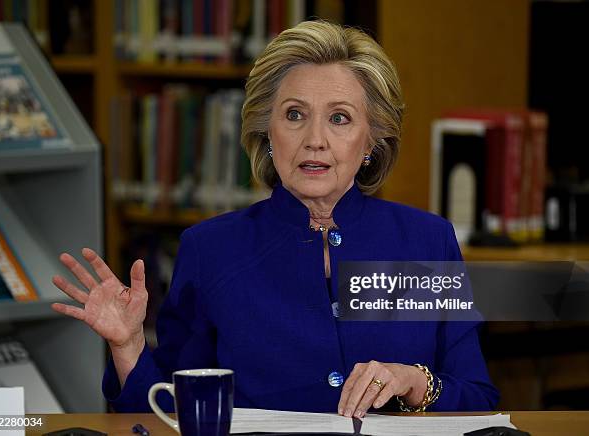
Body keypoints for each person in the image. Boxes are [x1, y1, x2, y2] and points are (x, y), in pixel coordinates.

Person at [52, 20, 499, 417]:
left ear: (371, 143)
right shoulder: (210, 250)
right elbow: (169, 414)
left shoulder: (427, 242)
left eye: (339, 118)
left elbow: (478, 399)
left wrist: (415, 382)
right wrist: (128, 347)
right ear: (267, 133)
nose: (315, 140)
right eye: (294, 115)